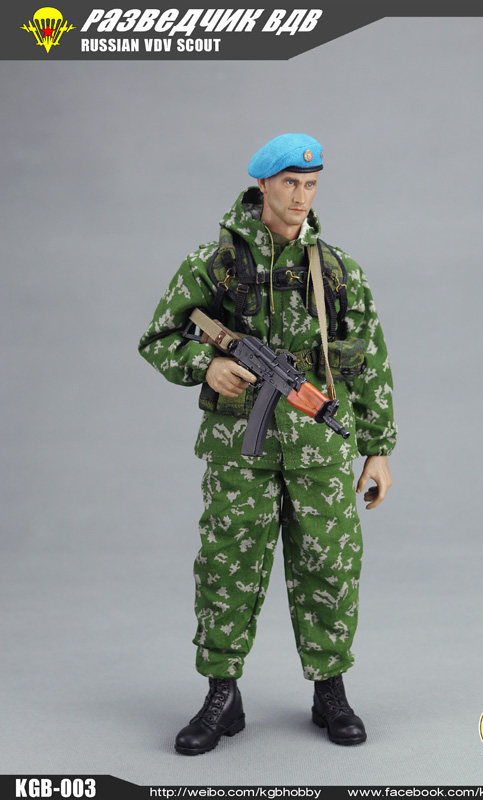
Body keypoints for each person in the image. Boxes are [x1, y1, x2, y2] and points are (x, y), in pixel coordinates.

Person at [138, 133, 397, 755]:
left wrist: (378, 447)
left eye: (311, 184)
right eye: (289, 183)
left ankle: (330, 690)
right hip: (239, 446)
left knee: (330, 564)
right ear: (262, 185)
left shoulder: (338, 270)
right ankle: (221, 695)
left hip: (319, 447)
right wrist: (206, 365)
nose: (301, 196)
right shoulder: (216, 263)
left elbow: (368, 360)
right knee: (227, 563)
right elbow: (159, 337)